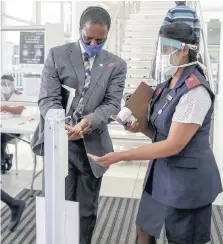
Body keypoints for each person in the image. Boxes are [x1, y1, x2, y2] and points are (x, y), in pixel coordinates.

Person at [88, 23, 222, 244]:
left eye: (168, 49)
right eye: (162, 49)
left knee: (181, 238)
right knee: (144, 229)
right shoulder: (167, 83)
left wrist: (121, 156)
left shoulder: (196, 91)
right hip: (162, 172)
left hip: (188, 180)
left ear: (184, 49)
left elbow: (173, 144)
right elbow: (159, 132)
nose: (164, 55)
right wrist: (138, 126)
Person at [31, 6, 127, 244]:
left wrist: (88, 122)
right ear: (79, 31)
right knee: (58, 204)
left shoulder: (116, 64)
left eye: (99, 40)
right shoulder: (57, 54)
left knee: (85, 211)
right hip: (59, 141)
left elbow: (112, 103)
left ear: (108, 35)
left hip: (92, 145)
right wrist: (61, 124)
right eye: (88, 38)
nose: (93, 43)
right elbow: (48, 97)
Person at [1, 75, 25, 173]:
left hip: (15, 127)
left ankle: (3, 160)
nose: (3, 85)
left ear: (11, 85)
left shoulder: (19, 95)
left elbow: (19, 110)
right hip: (2, 124)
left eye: (5, 84)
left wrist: (5, 108)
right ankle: (4, 158)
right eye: (1, 83)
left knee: (1, 136)